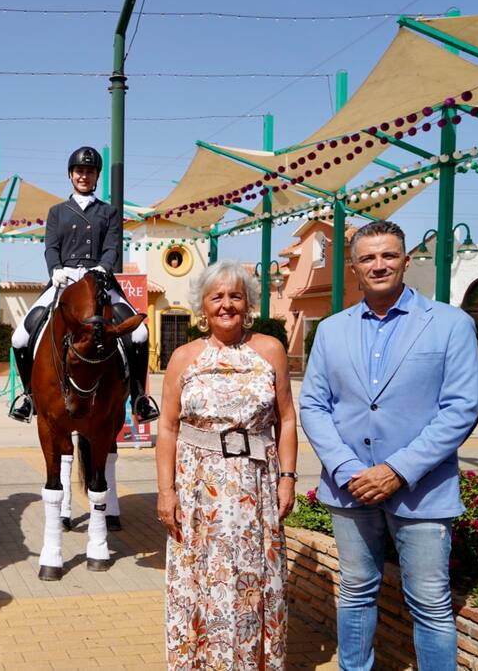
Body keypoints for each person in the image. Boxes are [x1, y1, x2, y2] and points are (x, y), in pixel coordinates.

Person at [300, 220, 478, 671]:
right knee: (356, 591)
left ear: (405, 260)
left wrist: (397, 470)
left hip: (423, 490)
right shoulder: (331, 330)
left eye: (388, 255)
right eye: (367, 258)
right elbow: (314, 406)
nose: (378, 265)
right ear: (354, 268)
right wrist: (346, 469)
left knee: (430, 602)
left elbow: (461, 408)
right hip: (350, 488)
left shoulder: (450, 324)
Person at [155, 260, 297, 670]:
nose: (226, 305)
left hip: (255, 486)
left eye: (236, 296)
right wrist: (166, 491)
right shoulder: (183, 357)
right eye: (217, 296)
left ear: (248, 303)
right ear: (202, 305)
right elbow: (167, 427)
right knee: (201, 577)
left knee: (254, 575)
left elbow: (287, 419)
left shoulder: (270, 350)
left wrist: (287, 479)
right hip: (197, 491)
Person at [9, 146, 159, 426]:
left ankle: (139, 397)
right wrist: (55, 270)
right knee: (19, 337)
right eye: (79, 171)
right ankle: (29, 395)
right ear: (70, 174)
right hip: (63, 279)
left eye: (90, 172)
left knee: (139, 333)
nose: (84, 176)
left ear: (97, 176)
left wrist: (103, 268)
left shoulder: (109, 212)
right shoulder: (57, 212)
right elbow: (51, 247)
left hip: (99, 279)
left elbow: (112, 247)